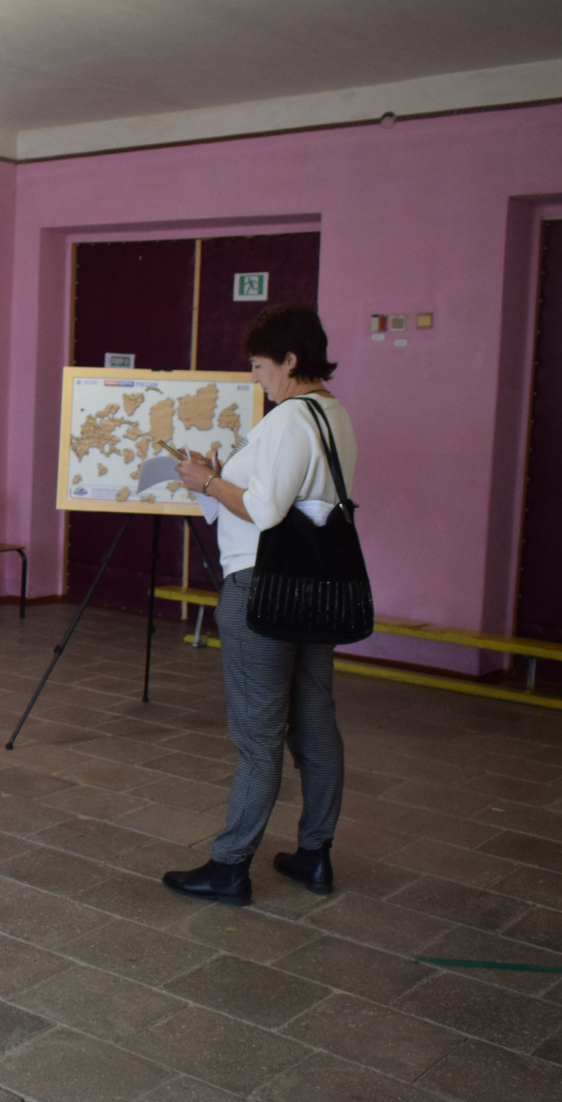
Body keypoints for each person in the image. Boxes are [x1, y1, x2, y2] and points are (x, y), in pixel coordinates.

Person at [164, 305, 357, 906]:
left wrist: (206, 482)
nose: (254, 377)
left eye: (258, 364)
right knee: (315, 723)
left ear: (289, 360)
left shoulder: (288, 418)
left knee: (258, 734)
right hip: (314, 589)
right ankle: (315, 855)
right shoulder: (334, 414)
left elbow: (266, 511)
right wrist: (221, 480)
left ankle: (229, 868)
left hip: (262, 588)